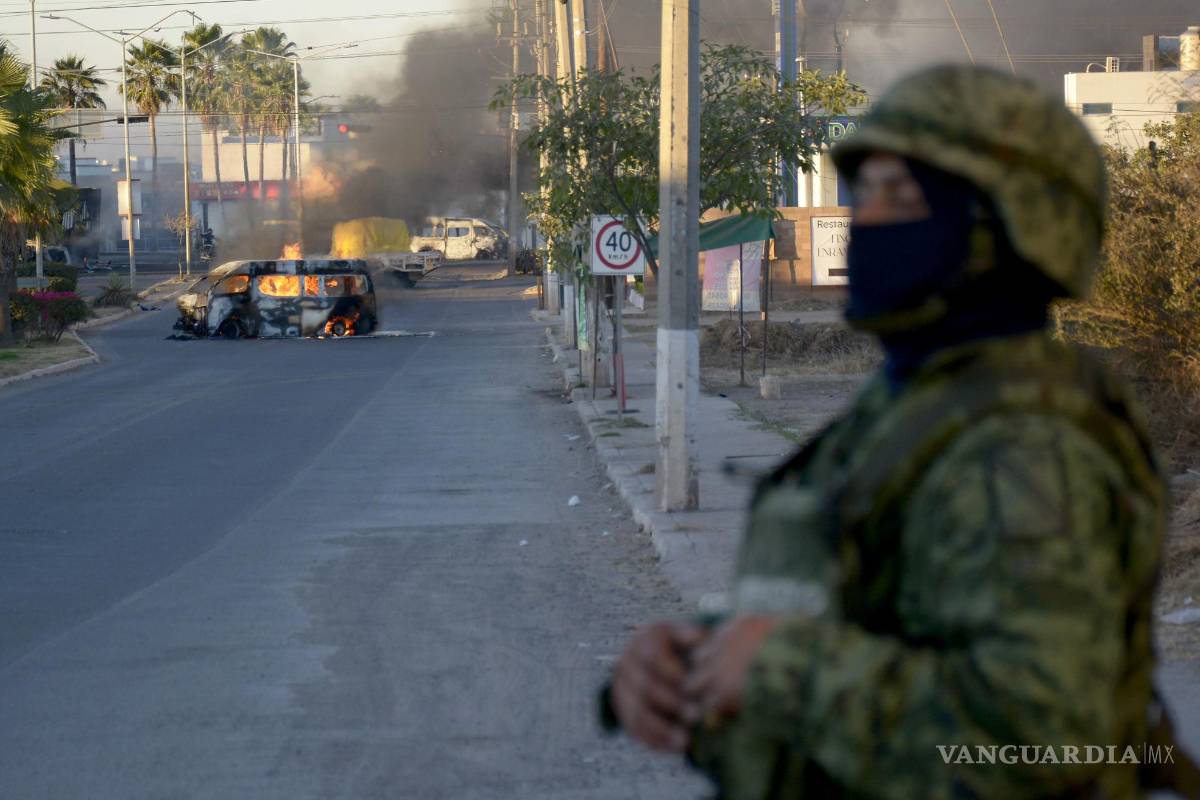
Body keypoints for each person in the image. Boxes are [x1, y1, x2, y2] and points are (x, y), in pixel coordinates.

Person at [604, 65, 1196, 798]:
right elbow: (870, 616)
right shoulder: (915, 407)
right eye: (866, 195)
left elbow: (1048, 736)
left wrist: (786, 667)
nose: (869, 222)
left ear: (1009, 226)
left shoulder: (1033, 445)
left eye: (904, 196)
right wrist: (694, 664)